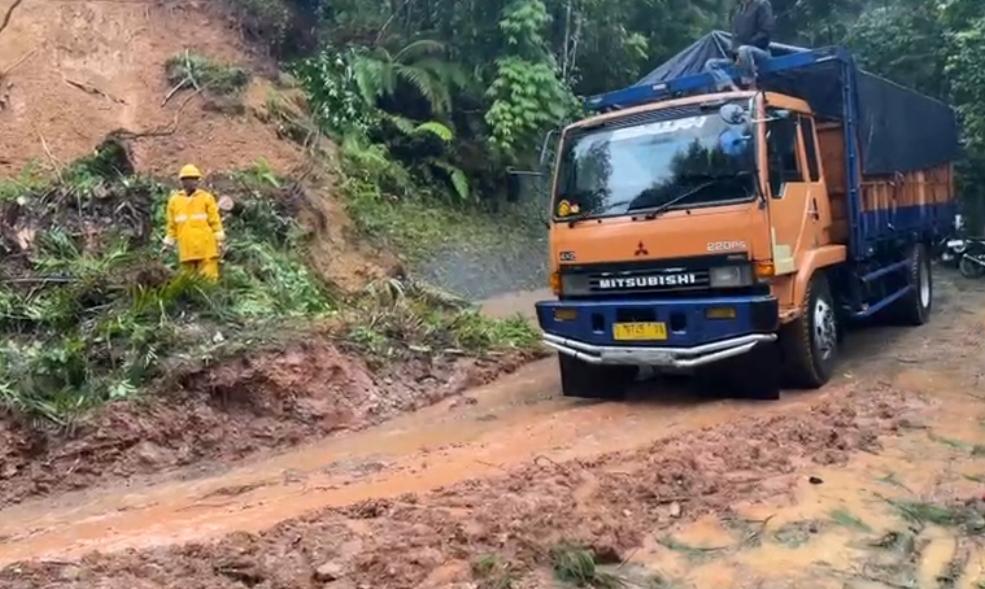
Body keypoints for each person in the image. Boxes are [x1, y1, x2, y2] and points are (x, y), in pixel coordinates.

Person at [164, 164, 225, 282]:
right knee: (189, 282)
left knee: (209, 281)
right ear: (183, 182)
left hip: (206, 248)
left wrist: (219, 240)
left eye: (195, 179)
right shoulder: (175, 201)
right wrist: (169, 242)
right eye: (190, 179)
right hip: (186, 249)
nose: (194, 182)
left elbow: (215, 221)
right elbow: (172, 225)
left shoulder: (206, 198)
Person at [705, 0, 776, 91]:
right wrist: (736, 56)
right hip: (740, 56)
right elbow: (735, 40)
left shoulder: (762, 4)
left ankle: (751, 84)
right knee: (711, 64)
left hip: (759, 52)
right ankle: (731, 87)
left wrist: (743, 51)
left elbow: (766, 32)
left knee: (744, 50)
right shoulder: (738, 11)